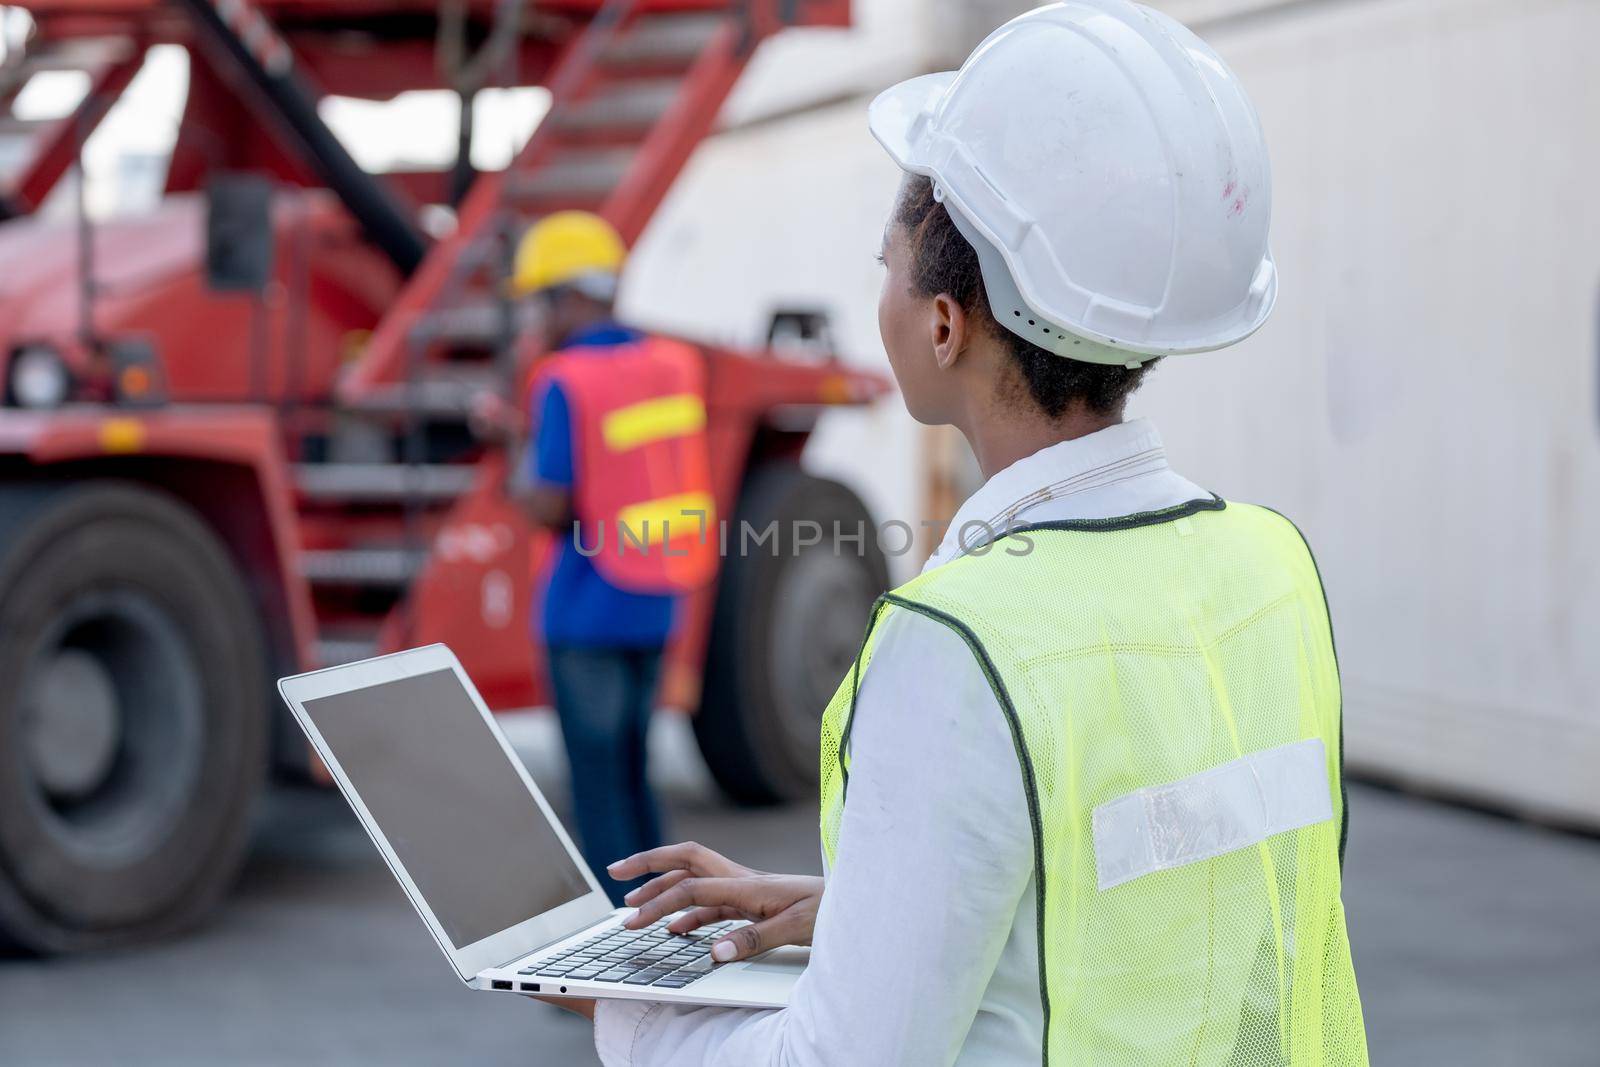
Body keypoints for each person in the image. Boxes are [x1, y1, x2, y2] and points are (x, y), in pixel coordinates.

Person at [549, 2, 1368, 1063]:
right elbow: (1152, 885)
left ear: (944, 322)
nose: (880, 291)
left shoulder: (962, 641)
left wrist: (623, 1002)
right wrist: (856, 910)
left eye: (887, 263)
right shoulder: (1271, 563)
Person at [512, 210, 717, 907]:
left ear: (571, 297)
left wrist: (512, 457)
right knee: (635, 773)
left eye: (542, 300)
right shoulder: (673, 364)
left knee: (598, 790)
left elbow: (551, 502)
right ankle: (663, 924)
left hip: (584, 613)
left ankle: (615, 955)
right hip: (655, 602)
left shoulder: (564, 379)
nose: (537, 318)